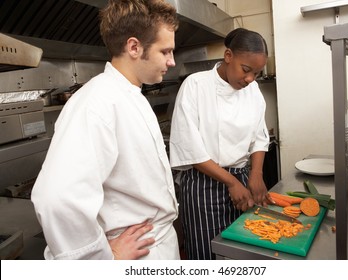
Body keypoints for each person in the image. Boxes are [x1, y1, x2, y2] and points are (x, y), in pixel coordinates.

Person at [31, 0, 180, 260]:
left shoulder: (130, 93)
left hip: (155, 244)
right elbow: (57, 199)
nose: (172, 62)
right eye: (165, 52)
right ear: (134, 47)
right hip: (133, 255)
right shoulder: (96, 102)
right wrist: (103, 258)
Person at [169, 28, 273, 260]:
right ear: (228, 56)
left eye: (256, 73)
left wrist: (256, 174)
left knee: (243, 249)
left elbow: (259, 135)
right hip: (203, 185)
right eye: (246, 70)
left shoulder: (253, 90)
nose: (249, 79)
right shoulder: (196, 85)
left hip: (242, 179)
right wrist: (231, 182)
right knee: (207, 252)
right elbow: (190, 149)